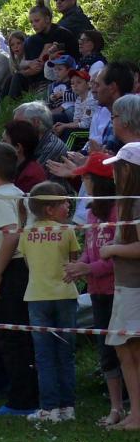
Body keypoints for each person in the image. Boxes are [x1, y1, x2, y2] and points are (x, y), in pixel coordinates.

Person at [62, 152, 124, 426]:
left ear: (99, 180)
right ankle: (115, 408)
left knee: (127, 348)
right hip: (98, 292)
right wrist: (79, 267)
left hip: (118, 290)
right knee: (106, 350)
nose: (83, 181)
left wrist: (91, 268)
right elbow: (90, 249)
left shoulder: (118, 211)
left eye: (86, 177)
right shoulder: (90, 212)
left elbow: (118, 257)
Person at [0, 142, 38, 418]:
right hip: (20, 269)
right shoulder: (16, 193)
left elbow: (11, 235)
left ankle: (20, 400)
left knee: (12, 336)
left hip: (10, 270)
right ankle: (23, 394)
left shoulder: (0, 196)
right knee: (18, 335)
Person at [18, 181, 81, 423]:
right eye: (63, 202)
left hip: (37, 296)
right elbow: (73, 261)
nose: (68, 205)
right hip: (65, 295)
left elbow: (27, 264)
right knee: (65, 354)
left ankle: (50, 408)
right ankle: (68, 406)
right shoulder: (68, 231)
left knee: (44, 356)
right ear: (49, 210)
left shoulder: (26, 233)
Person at [99, 141, 140, 430]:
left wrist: (112, 250)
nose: (114, 172)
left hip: (135, 287)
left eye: (118, 167)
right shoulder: (127, 201)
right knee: (127, 351)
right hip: (127, 285)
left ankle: (137, 415)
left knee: (130, 351)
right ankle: (135, 413)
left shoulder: (136, 202)